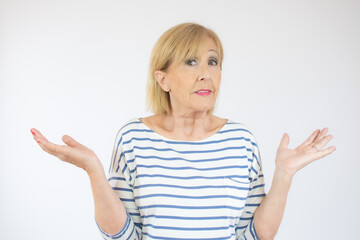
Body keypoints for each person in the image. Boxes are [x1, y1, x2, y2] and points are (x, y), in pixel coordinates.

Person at [30, 23, 336, 240]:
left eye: (213, 62)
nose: (206, 73)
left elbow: (255, 236)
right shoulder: (133, 138)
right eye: (191, 62)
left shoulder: (241, 141)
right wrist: (94, 171)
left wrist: (283, 175)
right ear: (163, 79)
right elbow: (123, 236)